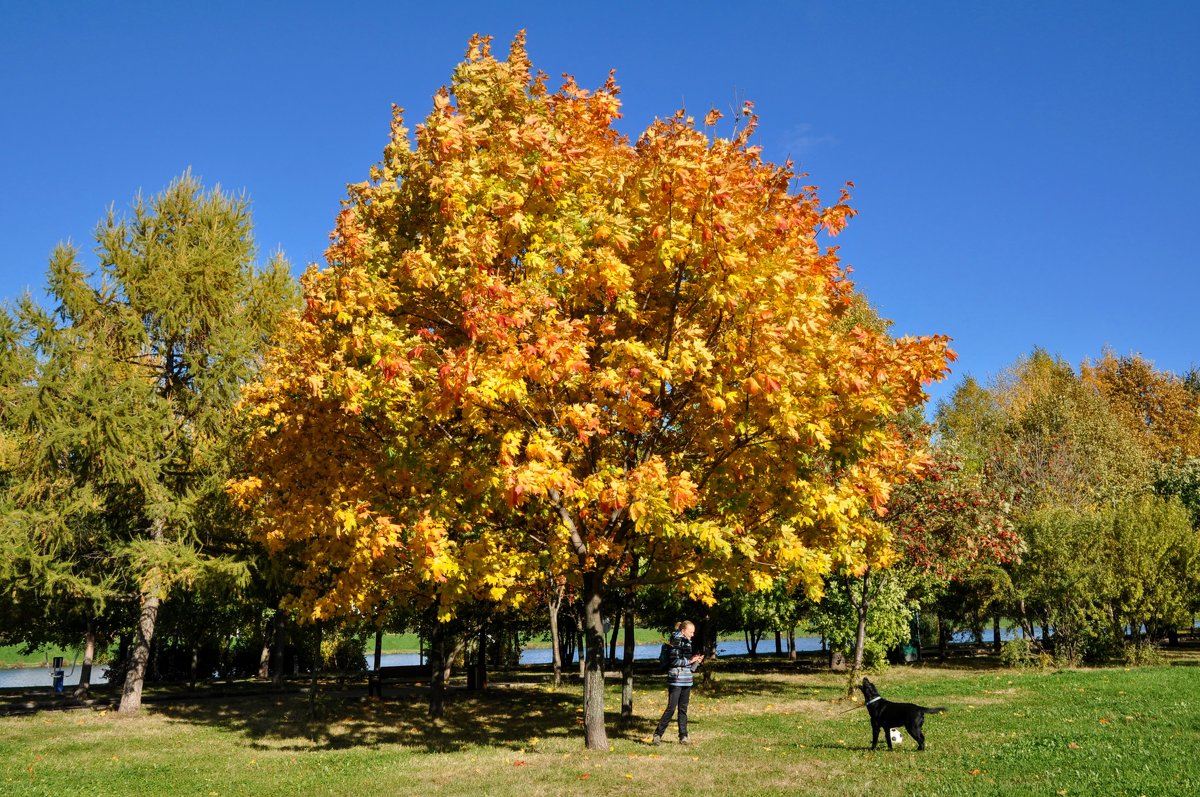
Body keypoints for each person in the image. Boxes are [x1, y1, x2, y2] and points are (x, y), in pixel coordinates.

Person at [652, 620, 704, 745]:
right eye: (691, 632)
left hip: (686, 680)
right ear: (683, 630)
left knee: (683, 709)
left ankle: (683, 736)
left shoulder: (688, 641)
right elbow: (674, 661)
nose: (692, 634)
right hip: (676, 679)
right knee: (671, 708)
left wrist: (696, 661)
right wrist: (691, 660)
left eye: (693, 632)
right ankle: (657, 734)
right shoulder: (676, 641)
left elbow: (688, 664)